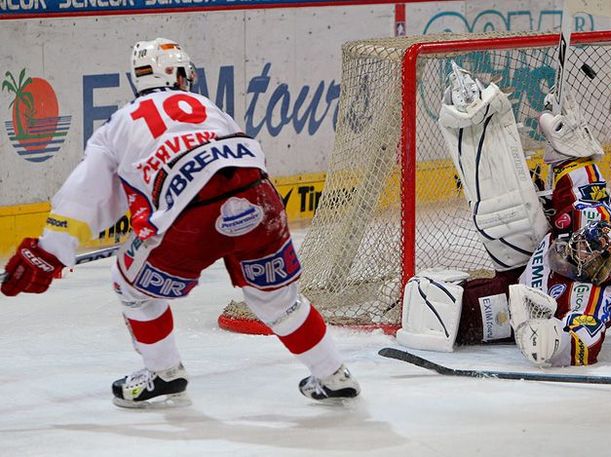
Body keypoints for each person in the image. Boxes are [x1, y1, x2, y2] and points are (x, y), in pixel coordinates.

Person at [0, 38, 360, 407]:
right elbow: (241, 162)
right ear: (179, 74)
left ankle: (163, 373)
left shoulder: (117, 126)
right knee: (277, 300)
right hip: (259, 197)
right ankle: (332, 374)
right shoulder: (206, 105)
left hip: (192, 216)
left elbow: (84, 197)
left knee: (131, 286)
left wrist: (51, 252)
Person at [397, 62, 611, 367]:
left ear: (594, 274)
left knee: (439, 313)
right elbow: (582, 178)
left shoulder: (588, 298)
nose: (576, 246)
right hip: (526, 258)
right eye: (580, 243)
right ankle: (477, 116)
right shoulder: (591, 221)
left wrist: (548, 339)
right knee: (507, 210)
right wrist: (568, 143)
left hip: (525, 303)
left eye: (582, 254)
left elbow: (584, 344)